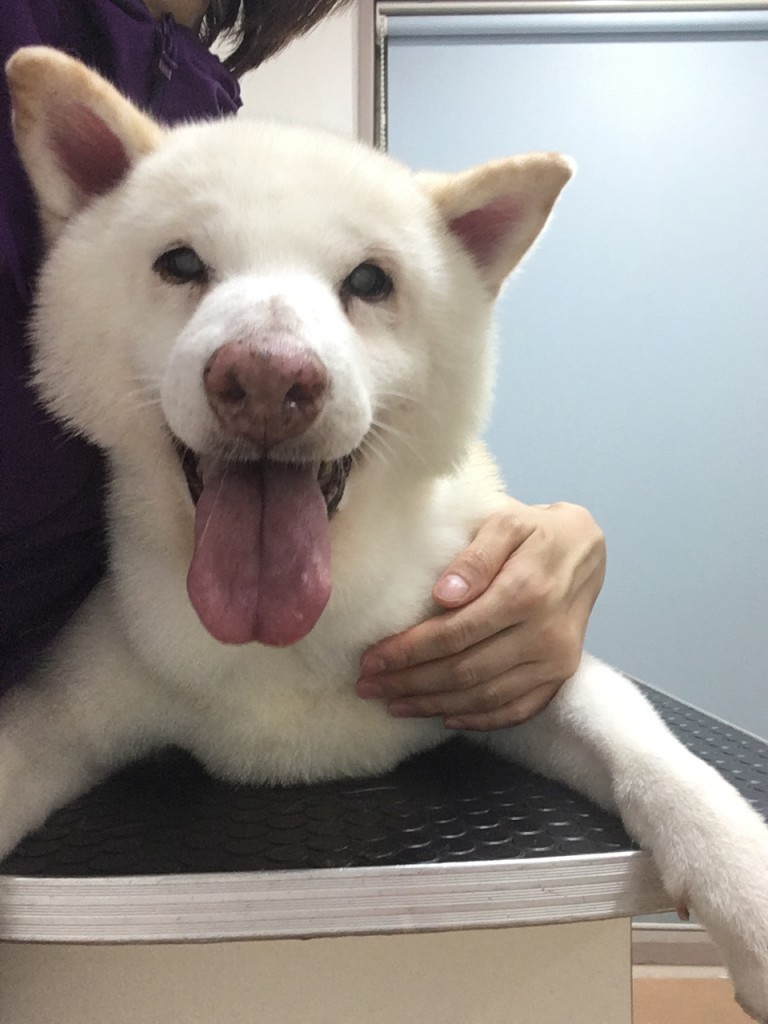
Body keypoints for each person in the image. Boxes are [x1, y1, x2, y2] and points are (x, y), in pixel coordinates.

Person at [0, 0, 606, 731]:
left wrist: (535, 543)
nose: (270, 374)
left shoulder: (203, 99)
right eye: (185, 266)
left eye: (368, 282)